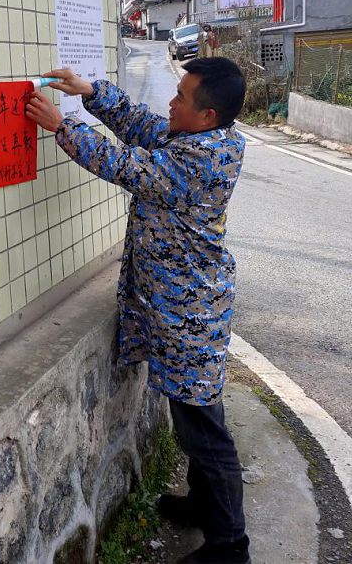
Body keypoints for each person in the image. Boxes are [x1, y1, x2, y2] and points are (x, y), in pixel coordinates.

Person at [25, 59, 250, 564]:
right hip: (185, 309)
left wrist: (63, 127)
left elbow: (128, 165)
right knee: (197, 421)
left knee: (204, 433)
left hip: (188, 314)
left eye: (182, 98)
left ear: (208, 115)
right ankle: (204, 507)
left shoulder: (199, 162)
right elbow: (146, 129)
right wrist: (91, 92)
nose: (171, 102)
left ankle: (229, 547)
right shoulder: (203, 138)